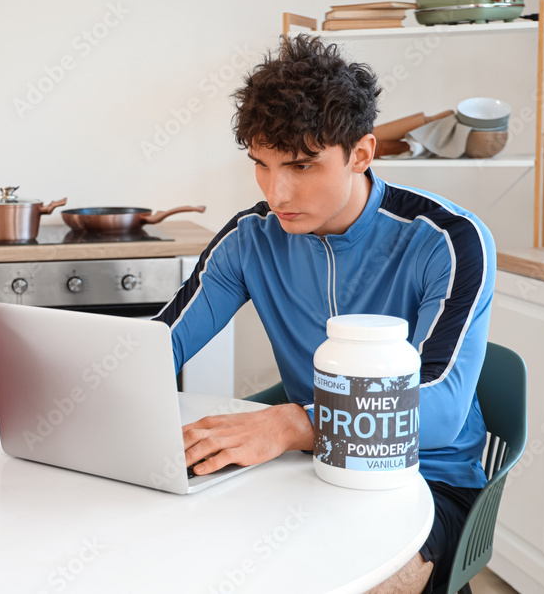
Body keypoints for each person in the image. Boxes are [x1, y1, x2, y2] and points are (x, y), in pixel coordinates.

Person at [153, 34, 495, 594]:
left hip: (425, 482)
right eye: (261, 165)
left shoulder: (448, 241)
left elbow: (440, 410)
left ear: (361, 154)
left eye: (302, 165)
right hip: (307, 472)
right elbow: (159, 346)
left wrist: (293, 422)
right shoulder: (251, 239)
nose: (277, 191)